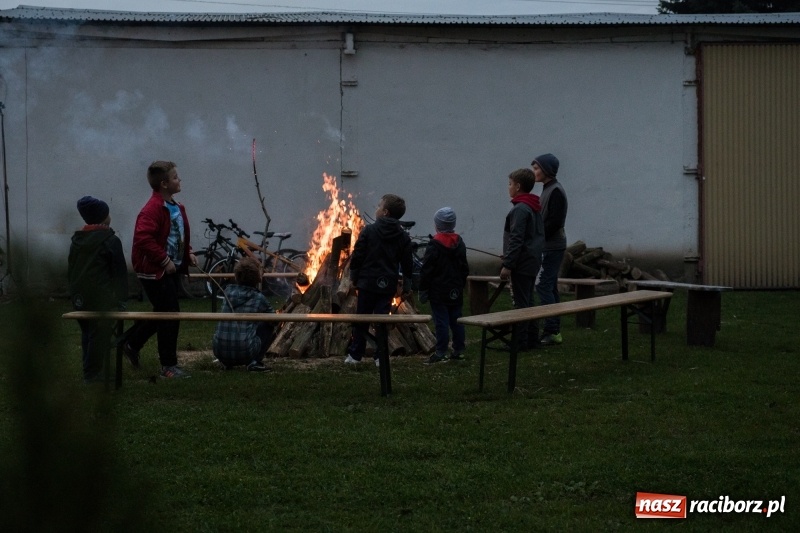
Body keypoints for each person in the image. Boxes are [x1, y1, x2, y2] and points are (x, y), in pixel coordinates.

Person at [124, 161, 197, 379]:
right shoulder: (152, 209)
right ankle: (168, 366)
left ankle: (131, 343)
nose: (179, 180)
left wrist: (188, 253)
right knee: (170, 315)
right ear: (164, 184)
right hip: (154, 271)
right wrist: (164, 261)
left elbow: (177, 235)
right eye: (175, 177)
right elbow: (142, 239)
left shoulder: (175, 206)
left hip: (170, 270)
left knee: (163, 312)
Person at [345, 194, 414, 366]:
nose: (376, 208)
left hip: (367, 283)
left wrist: (353, 277)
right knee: (382, 321)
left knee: (362, 318)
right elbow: (407, 264)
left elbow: (358, 256)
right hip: (387, 285)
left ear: (385, 212)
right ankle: (380, 356)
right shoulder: (403, 237)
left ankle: (355, 355)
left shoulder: (369, 231)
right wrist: (407, 286)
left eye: (378, 206)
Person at [68, 196, 129, 384]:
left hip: (79, 297)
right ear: (104, 217)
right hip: (101, 298)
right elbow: (119, 273)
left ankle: (91, 371)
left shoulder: (77, 240)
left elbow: (71, 268)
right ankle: (92, 374)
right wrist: (120, 300)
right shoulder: (110, 240)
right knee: (99, 334)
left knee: (88, 333)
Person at [500, 168, 545, 351]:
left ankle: (520, 342)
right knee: (529, 301)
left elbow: (517, 238)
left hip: (522, 263)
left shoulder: (520, 209)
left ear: (518, 186)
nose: (508, 188)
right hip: (532, 260)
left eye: (510, 184)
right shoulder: (533, 206)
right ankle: (532, 339)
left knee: (521, 304)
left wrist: (508, 264)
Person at [418, 207, 470, 364]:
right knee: (457, 320)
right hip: (455, 289)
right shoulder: (459, 243)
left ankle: (441, 351)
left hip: (438, 291)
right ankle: (459, 350)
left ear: (437, 225)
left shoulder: (434, 245)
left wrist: (423, 289)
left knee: (441, 321)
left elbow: (427, 269)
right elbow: (464, 268)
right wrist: (460, 284)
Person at [212, 257, 274, 372]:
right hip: (245, 352)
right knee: (268, 325)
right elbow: (274, 319)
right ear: (258, 279)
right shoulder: (258, 297)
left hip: (219, 351)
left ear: (236, 276)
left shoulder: (227, 293)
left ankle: (226, 362)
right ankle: (255, 362)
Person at [532, 153, 568, 346]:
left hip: (552, 247)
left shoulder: (555, 191)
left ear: (547, 170)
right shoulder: (547, 190)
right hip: (548, 245)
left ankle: (551, 329)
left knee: (543, 285)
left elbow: (554, 221)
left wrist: (536, 238)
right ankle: (553, 330)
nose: (534, 172)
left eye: (537, 168)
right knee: (550, 285)